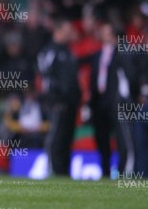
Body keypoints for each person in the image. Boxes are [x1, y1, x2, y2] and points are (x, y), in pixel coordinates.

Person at [89, 22, 136, 178]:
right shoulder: (97, 54)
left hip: (117, 101)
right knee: (101, 139)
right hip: (99, 102)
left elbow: (130, 78)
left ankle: (125, 173)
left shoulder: (122, 52)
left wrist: (130, 99)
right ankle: (105, 171)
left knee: (123, 138)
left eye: (107, 31)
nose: (103, 34)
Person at [37, 19, 81, 176]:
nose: (71, 33)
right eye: (68, 30)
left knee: (66, 141)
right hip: (56, 104)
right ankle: (53, 171)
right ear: (59, 31)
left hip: (70, 104)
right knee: (55, 139)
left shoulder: (69, 52)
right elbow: (45, 76)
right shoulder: (50, 52)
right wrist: (52, 98)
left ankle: (64, 173)